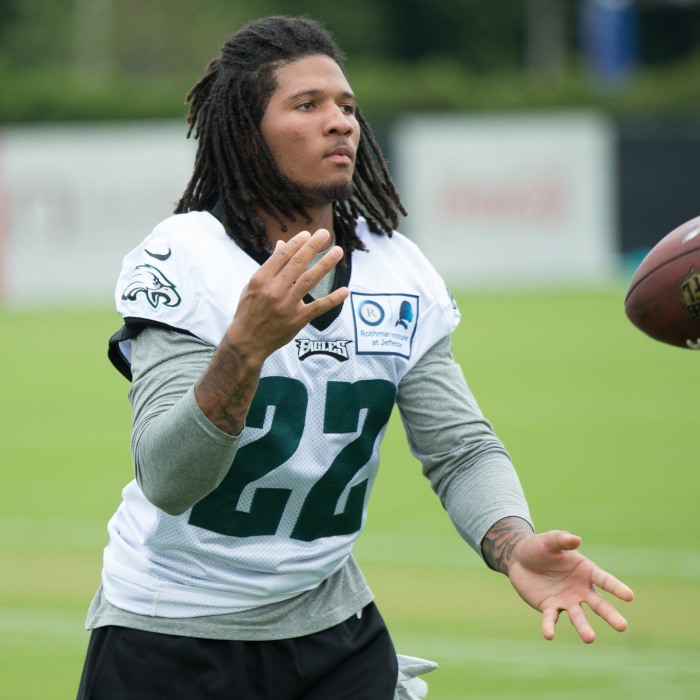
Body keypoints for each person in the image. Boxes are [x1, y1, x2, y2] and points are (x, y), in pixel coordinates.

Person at [77, 15, 634, 700]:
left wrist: (513, 542)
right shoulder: (187, 258)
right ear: (248, 131)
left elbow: (460, 448)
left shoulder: (396, 267)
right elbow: (168, 477)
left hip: (332, 627)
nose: (339, 121)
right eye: (306, 105)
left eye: (346, 105)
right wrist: (245, 348)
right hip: (171, 625)